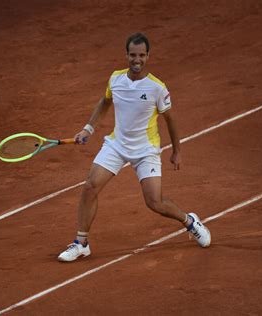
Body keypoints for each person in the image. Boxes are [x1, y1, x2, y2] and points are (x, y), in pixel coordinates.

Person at [58, 32, 211, 262]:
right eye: (132, 55)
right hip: (117, 145)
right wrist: (88, 129)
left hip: (146, 150)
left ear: (148, 56)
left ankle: (189, 221)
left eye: (141, 55)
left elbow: (170, 119)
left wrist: (177, 151)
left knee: (154, 202)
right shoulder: (116, 79)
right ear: (126, 55)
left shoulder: (157, 88)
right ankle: (81, 243)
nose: (136, 59)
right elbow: (105, 102)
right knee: (90, 186)